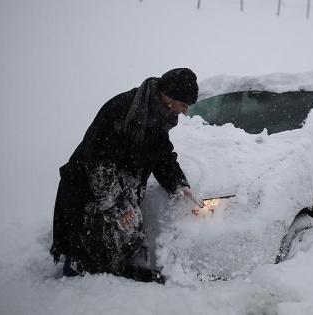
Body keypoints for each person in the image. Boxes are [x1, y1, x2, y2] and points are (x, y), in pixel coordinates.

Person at [50, 68, 202, 282]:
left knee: (122, 241)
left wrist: (178, 184)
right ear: (168, 97)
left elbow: (162, 155)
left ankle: (109, 285)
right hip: (88, 190)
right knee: (88, 251)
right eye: (184, 105)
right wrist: (118, 207)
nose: (185, 111)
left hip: (115, 188)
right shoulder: (123, 110)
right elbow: (99, 163)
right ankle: (72, 291)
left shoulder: (158, 115)